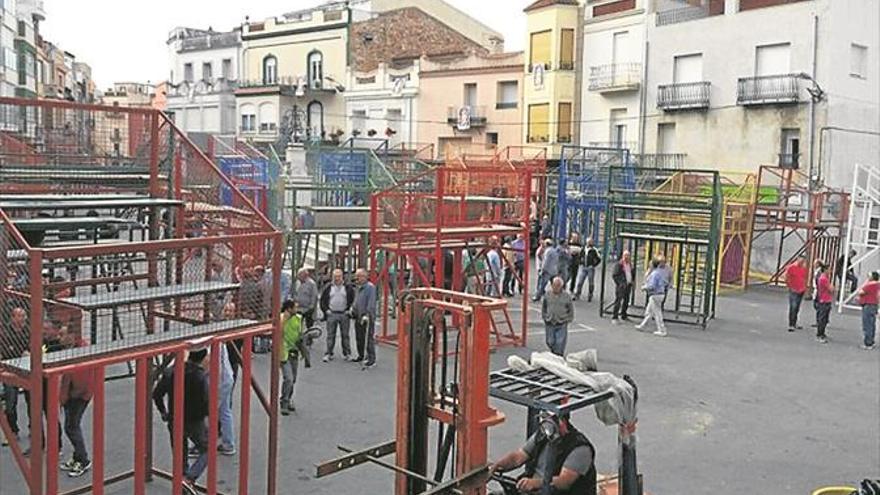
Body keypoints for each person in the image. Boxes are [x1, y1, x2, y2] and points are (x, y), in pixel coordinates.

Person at [490, 411, 596, 495]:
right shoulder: (543, 435)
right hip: (535, 491)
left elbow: (564, 482)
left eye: (549, 421)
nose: (546, 425)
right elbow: (519, 456)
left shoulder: (580, 448)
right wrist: (498, 466)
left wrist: (535, 483)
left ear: (562, 422)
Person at [152, 348, 211, 495]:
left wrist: (163, 412)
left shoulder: (172, 371)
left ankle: (183, 483)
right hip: (194, 421)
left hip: (175, 418)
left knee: (180, 454)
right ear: (203, 359)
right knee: (208, 450)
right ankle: (189, 478)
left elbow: (157, 394)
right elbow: (206, 402)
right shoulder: (200, 376)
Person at [58, 327, 96, 477]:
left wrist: (67, 399)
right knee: (71, 426)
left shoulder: (80, 351)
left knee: (71, 427)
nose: (59, 338)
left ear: (72, 335)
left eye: (62, 335)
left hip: (78, 396)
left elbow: (80, 381)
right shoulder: (75, 348)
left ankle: (83, 460)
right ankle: (78, 457)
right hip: (76, 394)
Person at [2, 306, 29, 446]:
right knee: (10, 404)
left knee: (33, 403)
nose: (23, 318)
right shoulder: (5, 333)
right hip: (11, 371)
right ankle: (13, 431)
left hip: (27, 371)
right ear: (13, 318)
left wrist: (28, 352)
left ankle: (34, 429)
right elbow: (5, 352)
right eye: (20, 316)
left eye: (24, 315)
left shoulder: (29, 330)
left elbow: (33, 347)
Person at [279, 300, 310, 414]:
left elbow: (300, 334)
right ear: (288, 308)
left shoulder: (298, 318)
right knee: (289, 378)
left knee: (293, 379)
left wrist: (303, 349)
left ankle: (289, 398)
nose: (297, 309)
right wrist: (284, 319)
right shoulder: (281, 318)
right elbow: (279, 332)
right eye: (295, 308)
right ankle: (284, 402)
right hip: (283, 353)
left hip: (294, 352)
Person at [319, 269, 354, 362]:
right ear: (332, 277)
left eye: (339, 276)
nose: (337, 278)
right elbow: (322, 300)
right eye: (335, 276)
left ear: (342, 277)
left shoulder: (348, 287)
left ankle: (347, 354)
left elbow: (352, 299)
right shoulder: (328, 287)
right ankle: (328, 353)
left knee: (345, 335)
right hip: (332, 314)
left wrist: (349, 310)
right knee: (330, 335)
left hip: (344, 314)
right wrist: (326, 310)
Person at [636, 258, 669, 337]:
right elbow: (665, 282)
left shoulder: (654, 274)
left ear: (652, 265)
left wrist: (644, 287)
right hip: (659, 294)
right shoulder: (660, 272)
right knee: (649, 312)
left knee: (657, 313)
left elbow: (652, 286)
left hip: (655, 294)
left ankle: (662, 330)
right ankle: (643, 325)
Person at [542, 277, 574, 356]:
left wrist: (568, 318)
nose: (555, 287)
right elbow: (544, 306)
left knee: (560, 343)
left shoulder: (566, 296)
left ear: (561, 286)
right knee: (550, 341)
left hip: (561, 323)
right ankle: (554, 352)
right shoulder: (547, 295)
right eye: (554, 285)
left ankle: (558, 356)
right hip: (550, 322)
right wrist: (545, 316)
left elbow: (570, 308)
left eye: (558, 286)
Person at [352, 269, 378, 368]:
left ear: (365, 277)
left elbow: (371, 303)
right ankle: (361, 355)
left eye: (359, 276)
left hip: (367, 317)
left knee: (368, 338)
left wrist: (367, 314)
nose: (357, 278)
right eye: (357, 276)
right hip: (358, 315)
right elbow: (356, 300)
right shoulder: (358, 287)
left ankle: (371, 359)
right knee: (359, 337)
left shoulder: (370, 288)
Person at [784, 256, 809, 332]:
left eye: (803, 261)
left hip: (801, 290)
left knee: (797, 307)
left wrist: (805, 288)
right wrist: (789, 286)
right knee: (793, 306)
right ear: (798, 259)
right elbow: (786, 277)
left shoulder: (803, 269)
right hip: (793, 289)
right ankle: (791, 324)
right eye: (801, 261)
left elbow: (804, 279)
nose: (802, 263)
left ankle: (794, 322)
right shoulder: (791, 267)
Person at [857, 271, 880, 350]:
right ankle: (871, 341)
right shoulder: (877, 285)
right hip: (874, 305)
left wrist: (866, 282)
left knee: (867, 325)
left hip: (868, 305)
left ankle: (868, 343)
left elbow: (860, 291)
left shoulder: (869, 285)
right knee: (872, 324)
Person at [611, 251, 634, 324]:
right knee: (618, 301)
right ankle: (614, 317)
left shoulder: (630, 265)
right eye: (625, 255)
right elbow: (615, 275)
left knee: (626, 301)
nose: (627, 257)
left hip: (628, 285)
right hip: (621, 286)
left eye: (628, 255)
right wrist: (620, 283)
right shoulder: (619, 264)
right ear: (623, 256)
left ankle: (624, 315)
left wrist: (632, 282)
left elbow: (632, 273)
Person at [814, 262, 834, 344]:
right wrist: (832, 288)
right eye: (829, 269)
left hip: (825, 300)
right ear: (825, 270)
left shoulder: (824, 278)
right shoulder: (823, 279)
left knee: (824, 318)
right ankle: (819, 334)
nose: (830, 271)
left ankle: (822, 333)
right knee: (822, 318)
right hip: (824, 300)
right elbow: (831, 289)